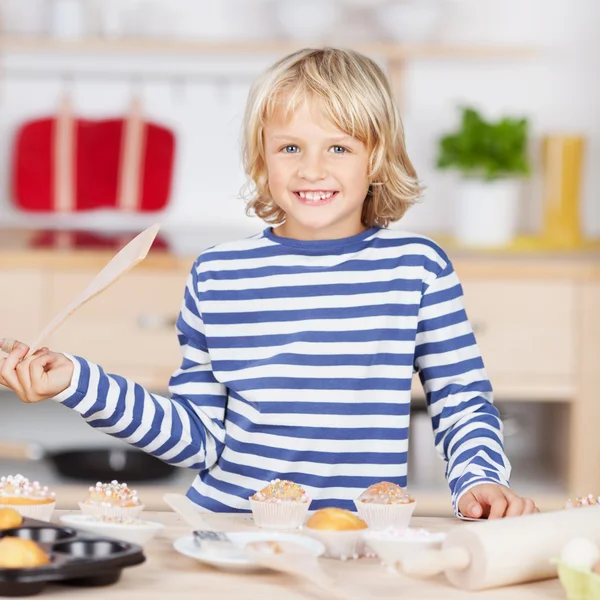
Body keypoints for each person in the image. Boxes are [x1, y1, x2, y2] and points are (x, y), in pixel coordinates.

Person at [0, 47, 538, 519]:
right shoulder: (218, 275)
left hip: (361, 536)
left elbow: (461, 398)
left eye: (339, 147)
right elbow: (196, 437)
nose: (311, 169)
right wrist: (74, 381)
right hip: (232, 529)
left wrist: (480, 478)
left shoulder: (417, 268)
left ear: (375, 157)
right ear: (262, 158)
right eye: (290, 148)